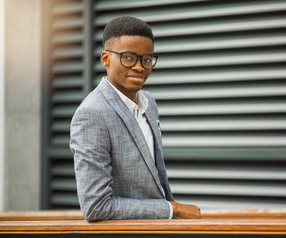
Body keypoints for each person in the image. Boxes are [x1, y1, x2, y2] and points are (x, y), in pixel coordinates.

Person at [70, 16, 201, 221]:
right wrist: (171, 209)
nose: (140, 67)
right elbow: (96, 206)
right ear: (105, 59)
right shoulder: (91, 113)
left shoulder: (149, 102)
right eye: (128, 57)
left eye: (146, 59)